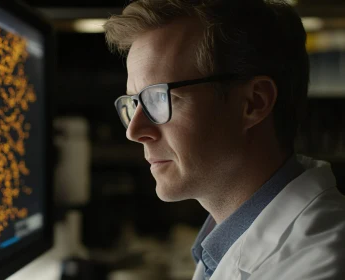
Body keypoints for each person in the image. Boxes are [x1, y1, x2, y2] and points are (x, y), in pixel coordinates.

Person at [103, 0, 345, 279]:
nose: (133, 131)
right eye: (134, 103)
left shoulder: (320, 266)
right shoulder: (225, 244)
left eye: (159, 98)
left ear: (253, 103)